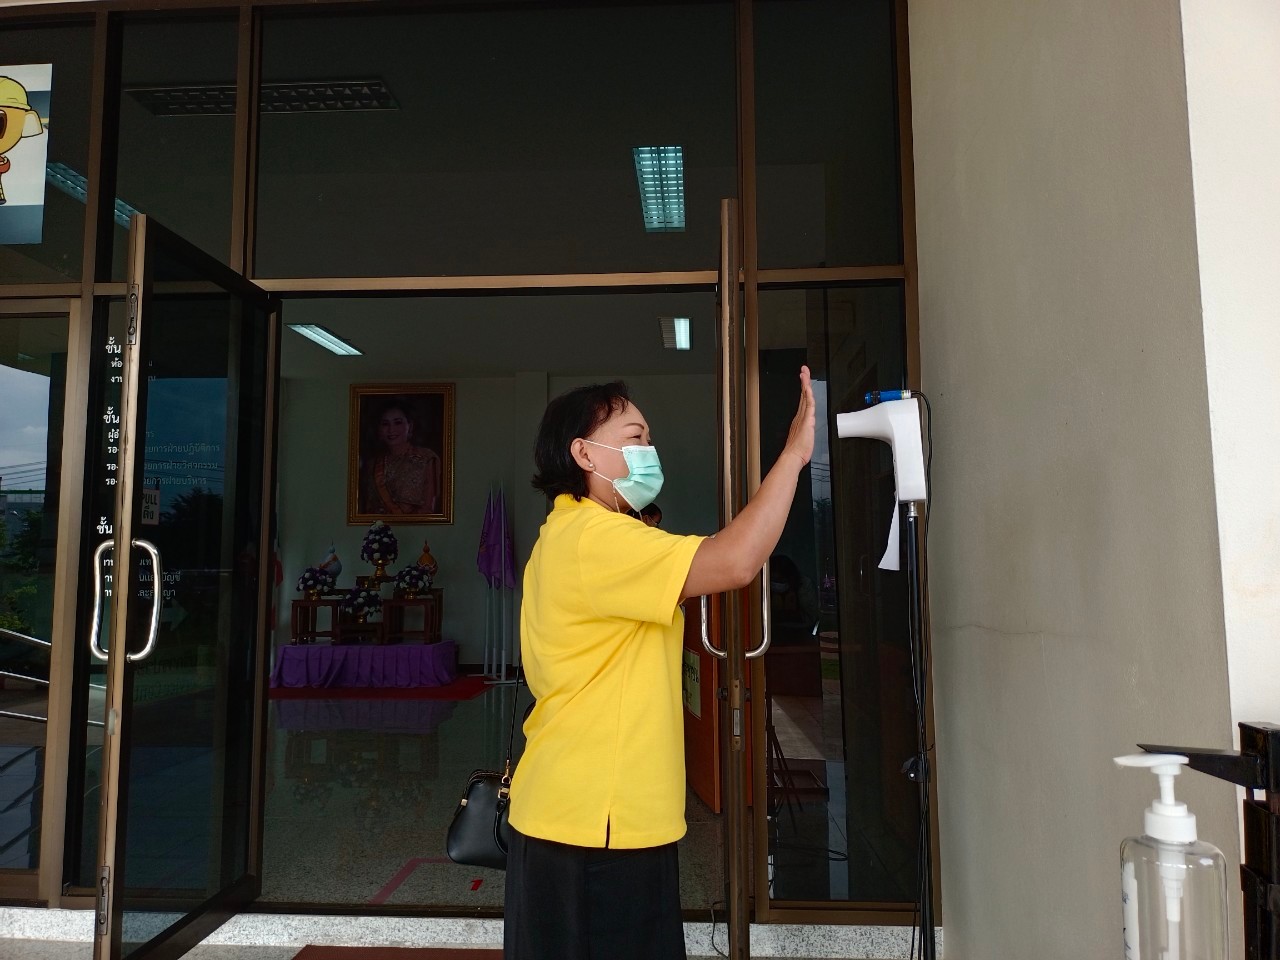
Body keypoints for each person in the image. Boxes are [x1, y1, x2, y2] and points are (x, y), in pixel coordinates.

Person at [505, 367, 815, 960]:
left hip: (586, 815)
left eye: (649, 438)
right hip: (594, 824)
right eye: (634, 437)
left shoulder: (577, 532)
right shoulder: (594, 539)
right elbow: (737, 560)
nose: (650, 451)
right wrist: (795, 456)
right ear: (584, 454)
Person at [358, 402, 441, 516]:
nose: (391, 429)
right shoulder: (372, 465)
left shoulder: (426, 458)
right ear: (379, 429)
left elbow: (428, 509)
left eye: (398, 423)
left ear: (410, 426)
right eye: (385, 424)